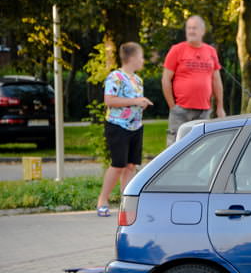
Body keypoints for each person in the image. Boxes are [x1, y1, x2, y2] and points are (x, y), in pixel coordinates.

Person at [96, 42, 153, 217]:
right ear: (132, 58)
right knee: (118, 165)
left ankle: (125, 203)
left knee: (131, 165)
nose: (143, 60)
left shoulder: (138, 80)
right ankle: (102, 200)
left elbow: (132, 101)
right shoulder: (116, 77)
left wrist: (141, 104)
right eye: (141, 56)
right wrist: (136, 101)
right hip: (117, 126)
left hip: (136, 126)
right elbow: (110, 101)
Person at [161, 15, 226, 146]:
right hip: (181, 110)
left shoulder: (211, 51)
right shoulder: (177, 50)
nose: (191, 31)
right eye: (189, 28)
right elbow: (165, 80)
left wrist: (220, 107)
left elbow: (216, 81)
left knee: (201, 148)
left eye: (194, 28)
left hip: (204, 111)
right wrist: (172, 107)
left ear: (203, 31)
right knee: (175, 147)